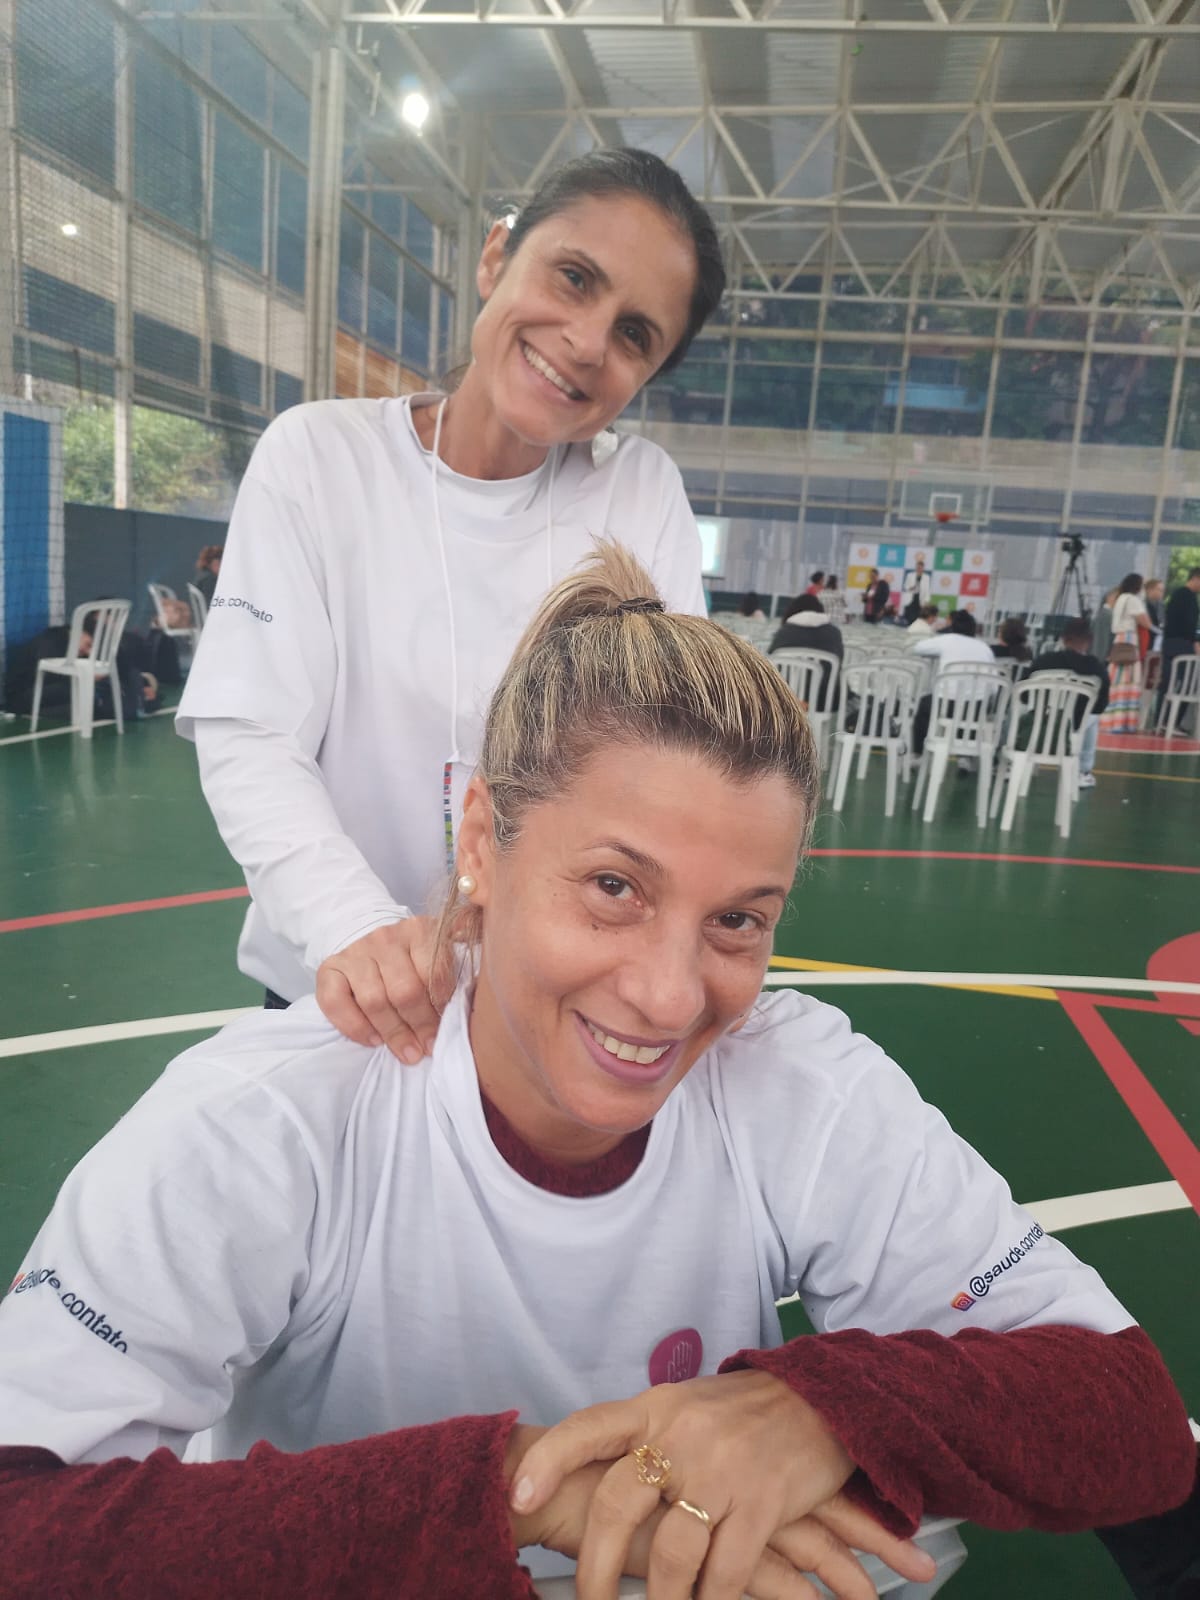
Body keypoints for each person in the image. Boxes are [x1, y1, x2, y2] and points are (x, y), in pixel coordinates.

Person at [1, 546, 1194, 1600]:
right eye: (615, 887)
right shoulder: (273, 1120)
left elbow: (1129, 1416)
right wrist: (523, 1490)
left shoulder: (800, 1085)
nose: (671, 996)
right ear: (482, 843)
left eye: (738, 920)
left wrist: (820, 1407)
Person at [176, 147, 726, 1063]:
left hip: (537, 1014)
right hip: (336, 992)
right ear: (496, 256)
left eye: (635, 334)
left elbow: (668, 755)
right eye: (574, 277)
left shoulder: (639, 494)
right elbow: (253, 734)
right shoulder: (320, 460)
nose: (587, 341)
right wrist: (356, 928)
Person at [1028, 617, 1110, 790]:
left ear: (1063, 639)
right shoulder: (1096, 668)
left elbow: (1024, 695)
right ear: (1089, 641)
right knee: (1094, 718)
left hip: (1041, 721)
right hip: (1076, 725)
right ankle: (1083, 771)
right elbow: (1100, 706)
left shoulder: (1043, 661)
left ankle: (1016, 762)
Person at [909, 609, 995, 755]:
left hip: (946, 705)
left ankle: (918, 752)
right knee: (970, 712)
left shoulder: (947, 640)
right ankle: (965, 754)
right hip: (977, 708)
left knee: (923, 706)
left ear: (953, 627)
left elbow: (917, 648)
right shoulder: (985, 648)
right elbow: (993, 687)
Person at [768, 593, 843, 712]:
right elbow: (839, 662)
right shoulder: (834, 633)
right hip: (825, 702)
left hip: (786, 699)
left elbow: (771, 664)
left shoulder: (783, 633)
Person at [1103, 573, 1149, 735]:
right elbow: (1145, 622)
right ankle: (1123, 722)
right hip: (1129, 640)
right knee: (1128, 680)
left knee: (1116, 680)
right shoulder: (1133, 600)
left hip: (1119, 640)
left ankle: (1110, 720)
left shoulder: (1120, 598)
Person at [1155, 567, 1200, 734]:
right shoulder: (1186, 597)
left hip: (1172, 644)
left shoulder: (1180, 595)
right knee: (1188, 684)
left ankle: (1163, 720)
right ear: (1196, 578)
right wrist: (1195, 641)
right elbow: (1188, 624)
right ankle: (1170, 721)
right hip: (1181, 645)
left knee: (1169, 683)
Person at [900, 556, 930, 624]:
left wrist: (926, 601)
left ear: (923, 568)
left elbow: (927, 590)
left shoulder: (926, 577)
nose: (919, 568)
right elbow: (905, 586)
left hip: (920, 600)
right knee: (909, 617)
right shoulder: (910, 575)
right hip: (911, 598)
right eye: (918, 567)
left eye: (920, 567)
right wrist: (910, 588)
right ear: (916, 567)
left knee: (918, 618)